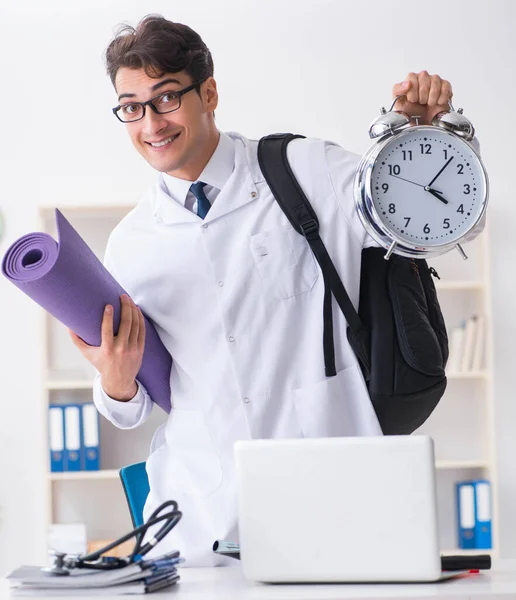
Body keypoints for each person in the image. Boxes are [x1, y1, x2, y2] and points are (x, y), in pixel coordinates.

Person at [70, 14, 456, 566]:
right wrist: (114, 382)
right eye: (131, 106)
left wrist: (416, 139)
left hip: (331, 493)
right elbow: (135, 408)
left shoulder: (305, 169)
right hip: (201, 514)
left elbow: (436, 224)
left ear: (209, 93)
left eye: (167, 97)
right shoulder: (132, 242)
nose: (150, 122)